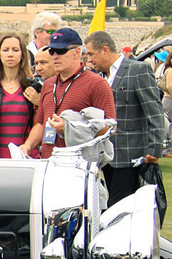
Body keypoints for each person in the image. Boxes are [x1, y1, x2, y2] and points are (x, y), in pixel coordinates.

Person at [87, 31, 166, 205]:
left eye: (92, 54)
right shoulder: (98, 78)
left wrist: (154, 149)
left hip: (132, 155)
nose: (89, 60)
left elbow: (154, 111)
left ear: (105, 50)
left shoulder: (138, 70)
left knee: (119, 206)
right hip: (106, 156)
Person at [23, 28, 117, 160]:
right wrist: (27, 146)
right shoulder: (49, 85)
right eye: (52, 51)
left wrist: (69, 129)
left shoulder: (97, 84)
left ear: (77, 52)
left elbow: (109, 128)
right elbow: (40, 124)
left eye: (60, 51)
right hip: (48, 162)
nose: (55, 56)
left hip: (79, 165)